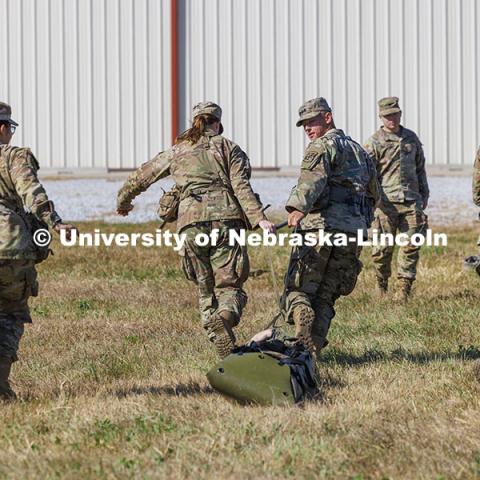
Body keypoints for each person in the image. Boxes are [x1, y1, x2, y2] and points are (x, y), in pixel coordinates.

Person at [117, 102, 275, 358]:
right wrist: (260, 219)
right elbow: (240, 186)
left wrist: (123, 201)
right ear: (218, 123)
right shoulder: (229, 148)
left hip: (190, 225)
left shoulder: (178, 150)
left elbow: (142, 176)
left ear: (195, 122)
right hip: (226, 222)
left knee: (205, 288)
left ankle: (221, 343)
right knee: (230, 286)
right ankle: (224, 320)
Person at [281, 97, 379, 357]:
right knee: (327, 295)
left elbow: (311, 180)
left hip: (319, 230)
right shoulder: (360, 151)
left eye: (312, 122)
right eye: (304, 125)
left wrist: (297, 208)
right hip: (352, 234)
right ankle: (310, 353)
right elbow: (374, 194)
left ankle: (302, 318)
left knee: (299, 289)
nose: (308, 130)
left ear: (327, 118)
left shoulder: (322, 146)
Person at [0, 102, 75, 401]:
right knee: (10, 314)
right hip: (10, 247)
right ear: (3, 127)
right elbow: (32, 192)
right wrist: (55, 223)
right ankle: (1, 387)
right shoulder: (13, 156)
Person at [365, 97, 429, 301]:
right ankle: (381, 284)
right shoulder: (374, 142)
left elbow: (420, 169)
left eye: (395, 114)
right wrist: (371, 201)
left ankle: (403, 289)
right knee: (382, 250)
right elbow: (367, 175)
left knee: (411, 246)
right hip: (385, 205)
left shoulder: (411, 138)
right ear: (381, 117)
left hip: (411, 202)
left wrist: (424, 194)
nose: (392, 119)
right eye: (387, 116)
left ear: (400, 114)